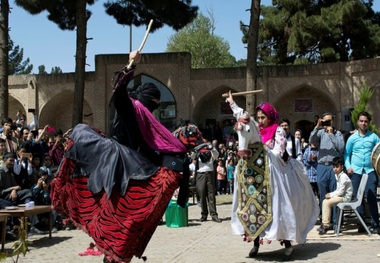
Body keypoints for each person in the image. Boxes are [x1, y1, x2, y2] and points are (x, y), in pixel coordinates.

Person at [51, 50, 199, 263]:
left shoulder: (145, 121)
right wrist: (130, 65)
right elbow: (119, 95)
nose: (153, 109)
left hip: (131, 172)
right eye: (153, 103)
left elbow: (151, 153)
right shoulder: (132, 108)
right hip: (115, 167)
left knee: (123, 226)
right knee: (114, 224)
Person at [227, 92, 319, 261]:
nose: (261, 120)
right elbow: (242, 117)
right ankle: (255, 242)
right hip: (255, 176)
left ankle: (287, 243)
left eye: (263, 117)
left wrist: (263, 149)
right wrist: (232, 103)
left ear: (270, 117)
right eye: (259, 117)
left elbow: (279, 152)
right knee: (252, 206)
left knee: (279, 207)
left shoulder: (278, 131)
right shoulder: (255, 128)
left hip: (276, 172)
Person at [344, 111, 380, 234]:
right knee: (357, 198)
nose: (363, 123)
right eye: (361, 121)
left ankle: (376, 224)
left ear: (368, 123)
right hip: (356, 171)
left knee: (371, 197)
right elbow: (347, 155)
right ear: (358, 122)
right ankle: (362, 223)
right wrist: (348, 167)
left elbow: (378, 153)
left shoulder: (374, 137)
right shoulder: (352, 138)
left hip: (370, 171)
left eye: (366, 121)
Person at [309, 112, 345, 229]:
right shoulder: (320, 133)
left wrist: (331, 134)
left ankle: (335, 223)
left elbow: (340, 148)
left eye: (329, 121)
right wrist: (317, 126)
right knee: (323, 195)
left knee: (335, 194)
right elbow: (311, 140)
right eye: (325, 121)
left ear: (333, 121)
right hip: (321, 166)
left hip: (333, 167)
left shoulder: (338, 133)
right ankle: (325, 223)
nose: (327, 123)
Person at [319, 156, 352, 235]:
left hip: (345, 198)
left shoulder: (343, 176)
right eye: (334, 167)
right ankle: (326, 223)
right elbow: (338, 191)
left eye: (337, 167)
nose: (335, 169)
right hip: (342, 196)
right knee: (325, 201)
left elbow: (340, 192)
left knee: (326, 202)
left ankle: (326, 225)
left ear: (342, 167)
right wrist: (331, 195)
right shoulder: (338, 175)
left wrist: (330, 195)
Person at [194, 139, 222, 222]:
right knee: (202, 195)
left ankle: (214, 215)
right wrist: (198, 149)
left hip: (209, 173)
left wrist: (211, 148)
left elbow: (217, 155)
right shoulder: (198, 153)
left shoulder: (211, 153)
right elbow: (192, 157)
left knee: (211, 195)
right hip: (200, 174)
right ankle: (204, 215)